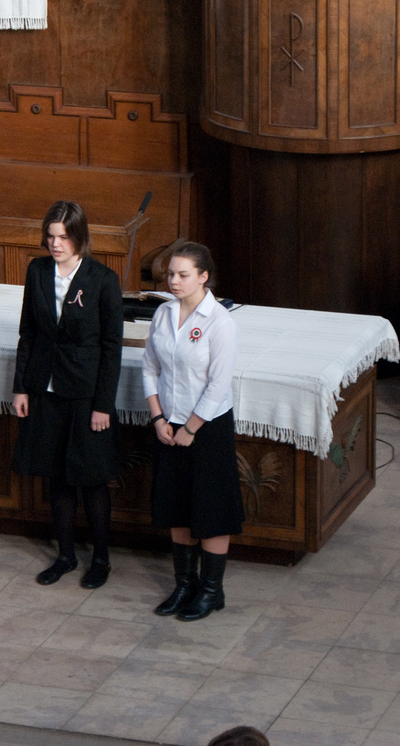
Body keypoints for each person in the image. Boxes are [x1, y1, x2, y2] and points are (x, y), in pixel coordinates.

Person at [12, 200, 124, 589]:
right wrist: (21, 386)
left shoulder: (102, 279)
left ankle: (102, 559)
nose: (55, 244)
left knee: (91, 479)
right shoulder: (37, 270)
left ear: (79, 237)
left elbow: (111, 347)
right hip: (46, 388)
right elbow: (28, 331)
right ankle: (65, 555)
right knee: (56, 476)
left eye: (63, 237)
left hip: (86, 393)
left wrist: (103, 405)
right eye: (50, 236)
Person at [142, 241, 243, 621]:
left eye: (183, 275)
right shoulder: (163, 313)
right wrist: (158, 419)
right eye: (171, 274)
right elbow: (149, 367)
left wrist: (191, 427)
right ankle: (184, 585)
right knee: (177, 506)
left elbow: (218, 384)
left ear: (203, 277)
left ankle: (211, 592)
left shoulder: (220, 322)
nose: (174, 281)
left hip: (207, 428)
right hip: (169, 426)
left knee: (211, 509)